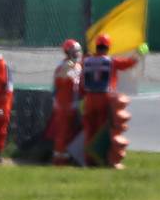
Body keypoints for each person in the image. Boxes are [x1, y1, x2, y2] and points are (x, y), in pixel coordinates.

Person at [81, 33, 146, 167]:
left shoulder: (86, 60)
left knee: (89, 129)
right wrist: (139, 53)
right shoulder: (111, 61)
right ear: (108, 47)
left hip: (88, 98)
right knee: (103, 130)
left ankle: (88, 160)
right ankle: (101, 158)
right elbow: (129, 63)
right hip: (104, 98)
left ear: (97, 46)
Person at [46, 39, 83, 166]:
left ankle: (68, 158)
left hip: (74, 104)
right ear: (68, 52)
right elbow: (59, 81)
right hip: (63, 105)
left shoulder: (77, 66)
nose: (78, 53)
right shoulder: (64, 66)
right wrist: (65, 71)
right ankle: (59, 160)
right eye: (75, 51)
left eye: (78, 51)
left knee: (72, 133)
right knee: (62, 133)